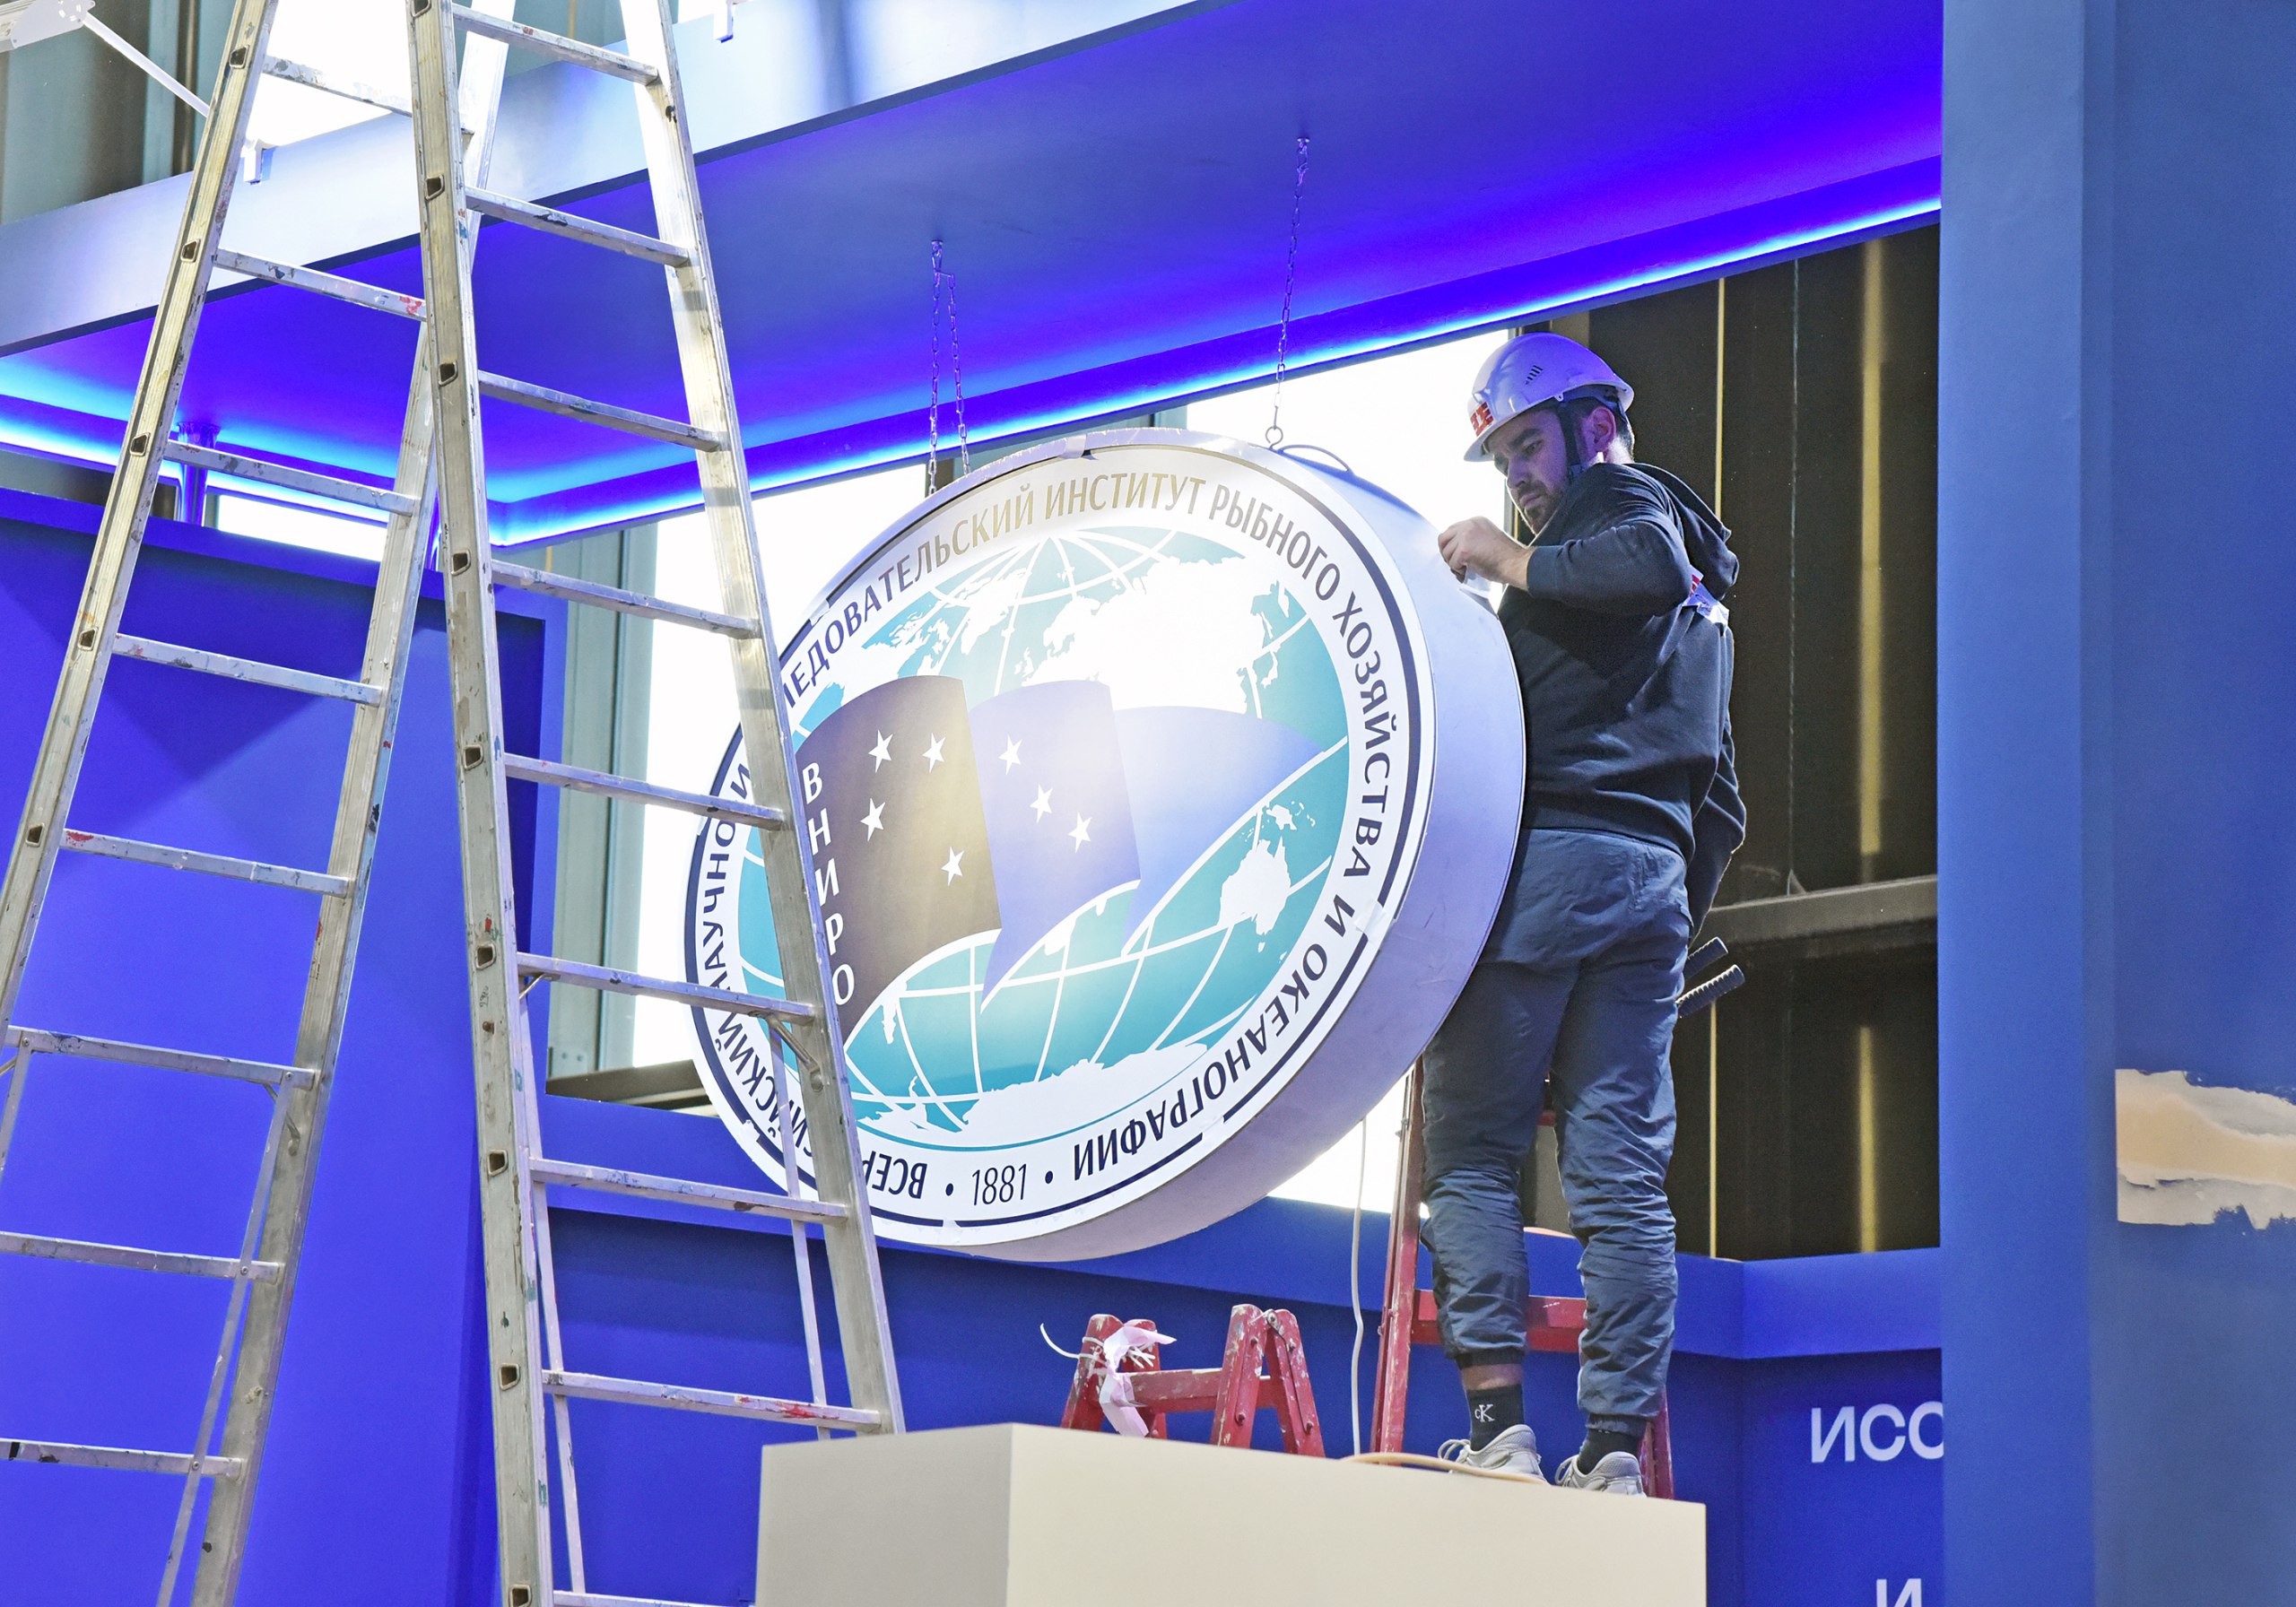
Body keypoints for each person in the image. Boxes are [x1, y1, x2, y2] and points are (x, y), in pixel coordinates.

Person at [1425, 331, 1744, 1493]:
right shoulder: (1706, 614)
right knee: (1620, 1182)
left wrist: (1500, 560)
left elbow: (1640, 556)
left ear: (1593, 424)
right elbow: (1725, 801)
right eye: (1503, 458)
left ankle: (1499, 1428)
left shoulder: (1621, 508)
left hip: (1551, 864)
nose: (1517, 477)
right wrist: (1662, 925)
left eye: (1528, 445)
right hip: (1651, 885)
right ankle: (1612, 1448)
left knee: (1472, 1149)